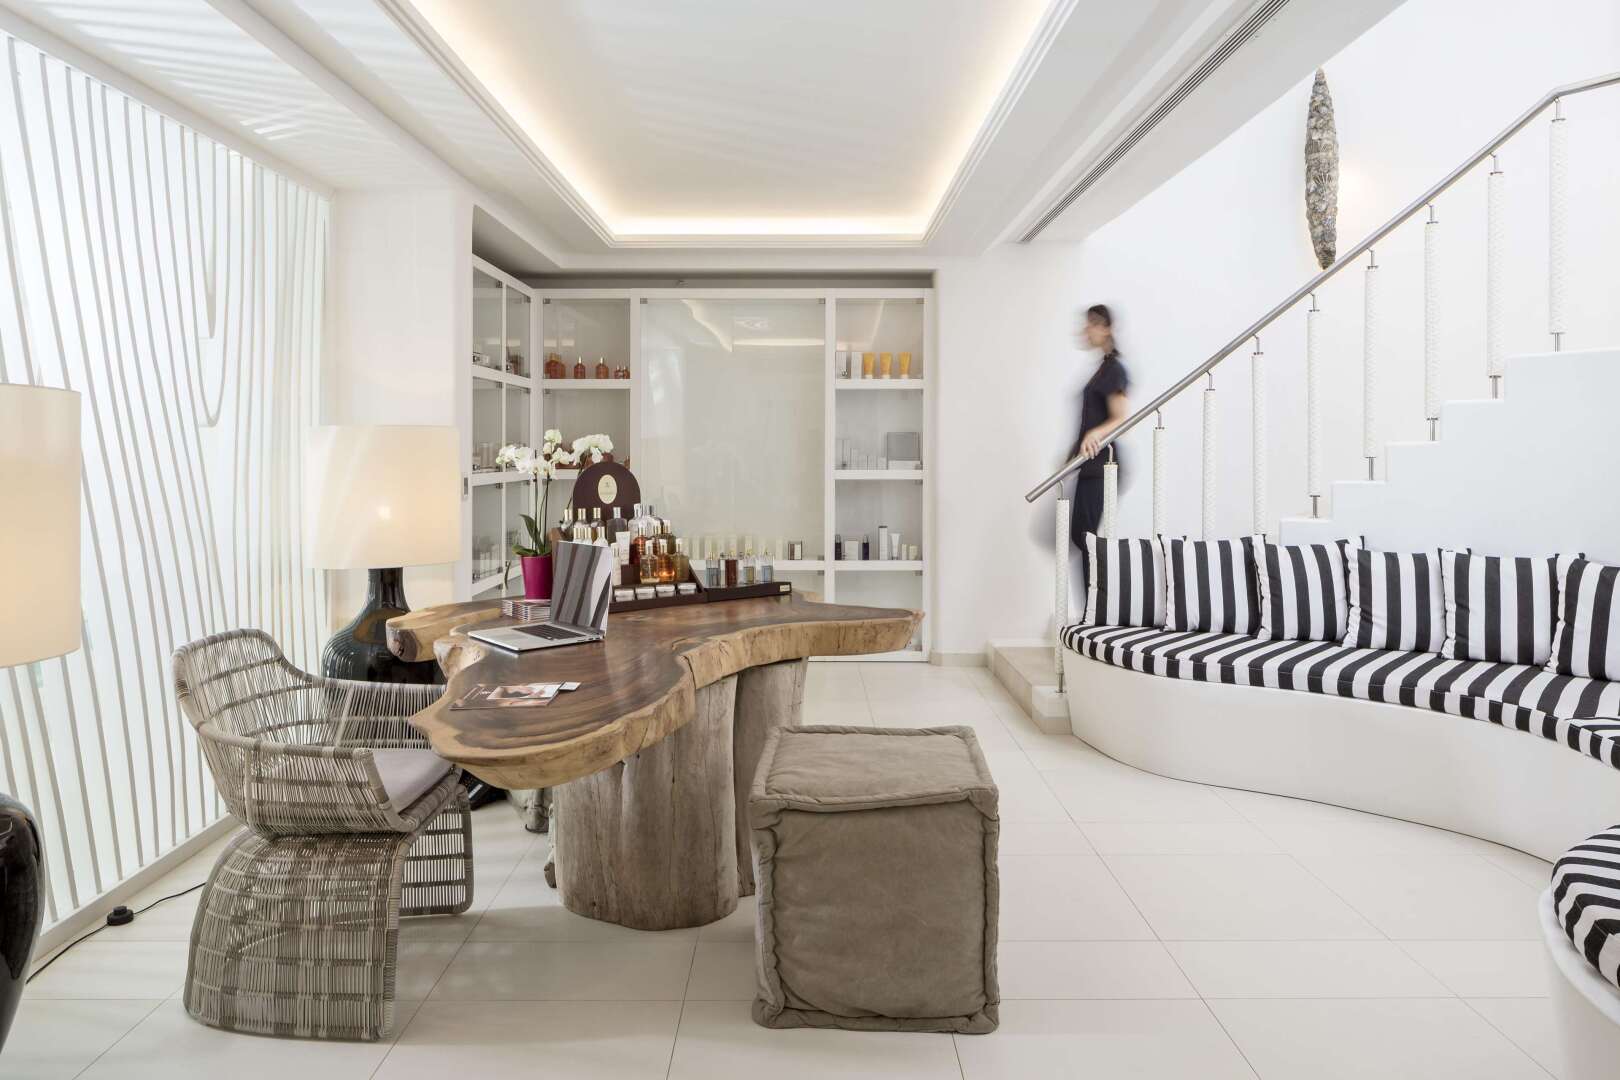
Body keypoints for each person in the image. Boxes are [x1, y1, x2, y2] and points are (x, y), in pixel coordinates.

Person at [1066, 304, 1131, 549]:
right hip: (1089, 465)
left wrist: (1095, 433)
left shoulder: (1114, 369)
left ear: (1107, 329)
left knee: (1085, 538)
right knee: (1081, 536)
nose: (1086, 330)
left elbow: (1120, 418)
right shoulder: (1102, 369)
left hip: (1103, 466)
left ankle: (1101, 576)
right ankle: (1096, 576)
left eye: (1092, 324)